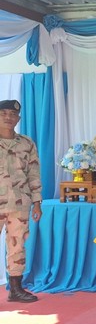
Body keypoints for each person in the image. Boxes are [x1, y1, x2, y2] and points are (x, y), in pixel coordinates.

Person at [0, 100, 42, 303]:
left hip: (19, 203)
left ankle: (15, 289)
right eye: (3, 113)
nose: (8, 117)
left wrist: (37, 202)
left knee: (17, 247)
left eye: (12, 114)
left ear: (18, 119)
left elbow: (33, 174)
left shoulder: (26, 143)